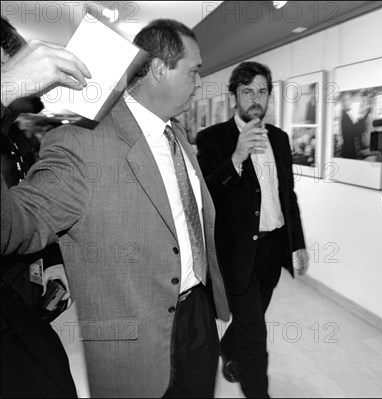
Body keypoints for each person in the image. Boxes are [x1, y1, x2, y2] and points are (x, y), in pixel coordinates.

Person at [1, 19, 230, 397]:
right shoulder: (80, 143)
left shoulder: (177, 135)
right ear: (159, 69)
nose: (200, 83)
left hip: (198, 317)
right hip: (134, 347)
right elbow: (14, 227)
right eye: (194, 71)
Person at [196, 61, 309, 398]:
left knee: (252, 318)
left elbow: (287, 196)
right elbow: (207, 194)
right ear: (234, 96)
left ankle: (229, 350)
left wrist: (297, 244)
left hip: (273, 250)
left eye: (262, 91)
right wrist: (236, 158)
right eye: (248, 92)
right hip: (237, 251)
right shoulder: (213, 139)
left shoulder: (280, 138)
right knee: (255, 335)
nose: (255, 99)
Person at [1, 16, 76, 397]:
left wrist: (51, 263)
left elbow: (28, 207)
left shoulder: (14, 137)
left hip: (25, 314)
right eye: (14, 54)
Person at [339, 91, 371, 159]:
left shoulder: (350, 113)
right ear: (342, 102)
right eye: (344, 100)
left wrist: (362, 116)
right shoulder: (344, 117)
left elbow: (356, 127)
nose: (347, 102)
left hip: (353, 151)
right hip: (350, 153)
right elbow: (355, 132)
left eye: (348, 100)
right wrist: (363, 116)